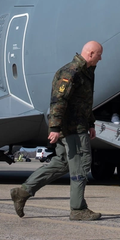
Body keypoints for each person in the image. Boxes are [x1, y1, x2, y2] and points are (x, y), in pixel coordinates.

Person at [10, 42, 104, 221]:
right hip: (72, 129)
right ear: (91, 53)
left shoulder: (87, 72)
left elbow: (83, 102)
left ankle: (22, 192)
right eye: (99, 54)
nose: (101, 58)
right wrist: (54, 128)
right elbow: (58, 101)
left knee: (62, 164)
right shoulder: (71, 72)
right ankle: (78, 209)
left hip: (77, 126)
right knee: (81, 165)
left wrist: (91, 123)